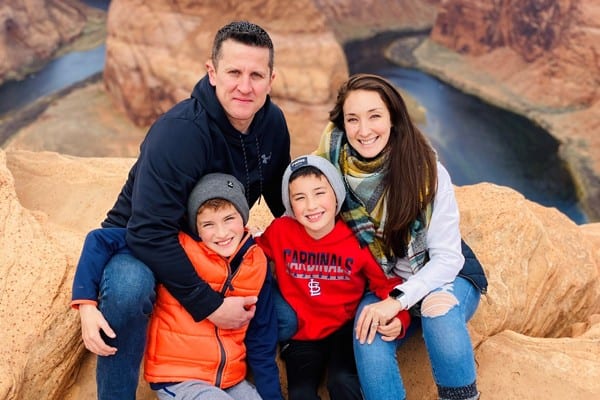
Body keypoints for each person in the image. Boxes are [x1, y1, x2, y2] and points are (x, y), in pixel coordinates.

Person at [71, 20, 290, 399]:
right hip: (144, 247)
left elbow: (280, 198)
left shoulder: (272, 124)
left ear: (271, 80)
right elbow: (146, 233)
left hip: (215, 249)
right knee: (128, 290)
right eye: (234, 72)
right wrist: (210, 305)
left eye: (256, 74)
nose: (245, 85)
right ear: (212, 72)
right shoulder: (180, 133)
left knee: (286, 318)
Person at [314, 73, 488, 400]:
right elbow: (305, 200)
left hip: (437, 276)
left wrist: (398, 304)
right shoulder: (331, 161)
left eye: (375, 116)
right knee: (368, 334)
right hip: (381, 280)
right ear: (342, 124)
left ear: (393, 118)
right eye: (353, 119)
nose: (364, 131)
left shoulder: (425, 170)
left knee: (440, 317)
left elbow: (448, 258)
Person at [73, 173, 282, 399]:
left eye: (229, 219)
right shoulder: (177, 247)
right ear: (195, 227)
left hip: (230, 378)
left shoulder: (257, 261)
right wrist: (86, 303)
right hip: (180, 377)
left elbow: (262, 336)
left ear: (243, 218)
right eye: (208, 224)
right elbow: (100, 238)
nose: (221, 233)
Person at [255, 155, 411, 400]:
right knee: (300, 394)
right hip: (303, 335)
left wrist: (400, 317)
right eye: (299, 198)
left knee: (342, 381)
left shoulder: (357, 237)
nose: (311, 206)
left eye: (319, 193)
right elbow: (252, 254)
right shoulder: (281, 232)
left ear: (336, 194)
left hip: (345, 329)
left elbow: (386, 283)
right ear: (289, 204)